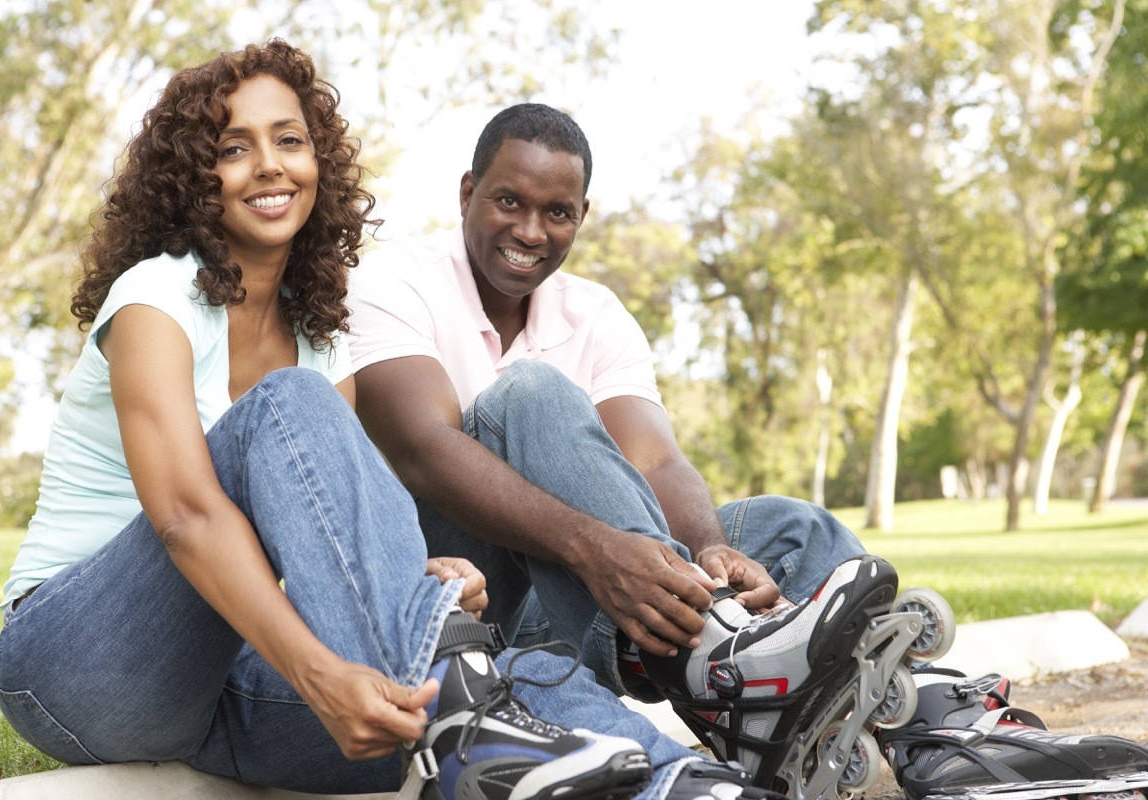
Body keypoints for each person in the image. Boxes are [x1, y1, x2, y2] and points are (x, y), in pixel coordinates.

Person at [0, 46, 781, 800]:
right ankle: (468, 715)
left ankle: (680, 774)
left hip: (232, 678)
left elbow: (329, 535)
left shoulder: (320, 332)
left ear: (319, 163)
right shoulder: (156, 299)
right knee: (290, 403)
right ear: (195, 177)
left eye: (290, 140)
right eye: (235, 148)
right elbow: (190, 518)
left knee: (512, 670)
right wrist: (322, 675)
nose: (270, 164)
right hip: (83, 664)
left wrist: (428, 584)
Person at [345, 102, 1148, 796]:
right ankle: (717, 661)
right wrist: (601, 550)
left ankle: (923, 730)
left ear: (581, 216)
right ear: (467, 193)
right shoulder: (397, 282)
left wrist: (711, 549)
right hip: (460, 602)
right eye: (509, 202)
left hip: (595, 607)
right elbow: (423, 449)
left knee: (793, 533)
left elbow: (653, 461)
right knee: (528, 396)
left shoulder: (593, 312)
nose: (530, 230)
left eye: (557, 212)